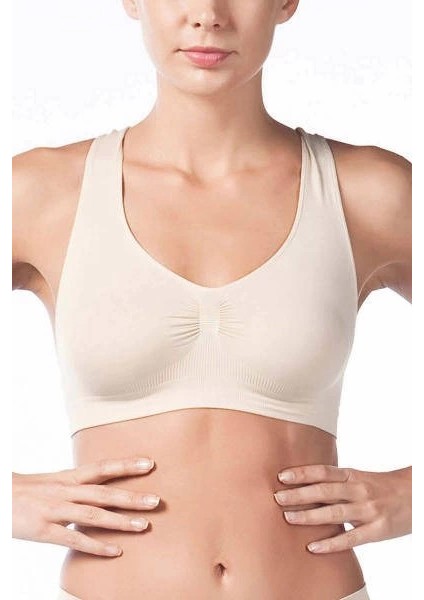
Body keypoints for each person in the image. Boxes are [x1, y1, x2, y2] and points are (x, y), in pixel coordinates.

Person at [12, 1, 412, 599]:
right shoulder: (39, 195)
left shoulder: (370, 192)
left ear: (286, 2)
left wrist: (412, 496)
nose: (208, 14)